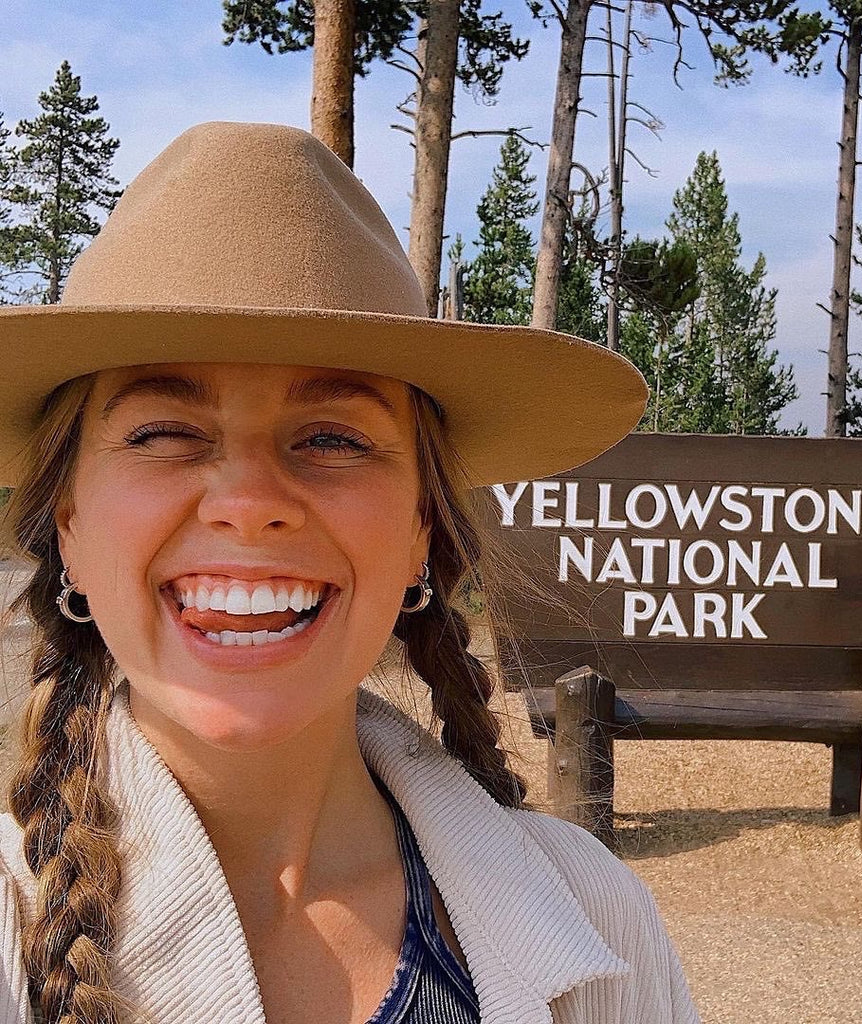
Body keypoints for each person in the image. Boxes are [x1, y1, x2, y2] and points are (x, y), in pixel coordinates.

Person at [0, 121, 699, 1024]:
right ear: (70, 527)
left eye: (332, 437)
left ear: (421, 531)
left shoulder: (600, 922)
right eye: (164, 434)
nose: (248, 500)